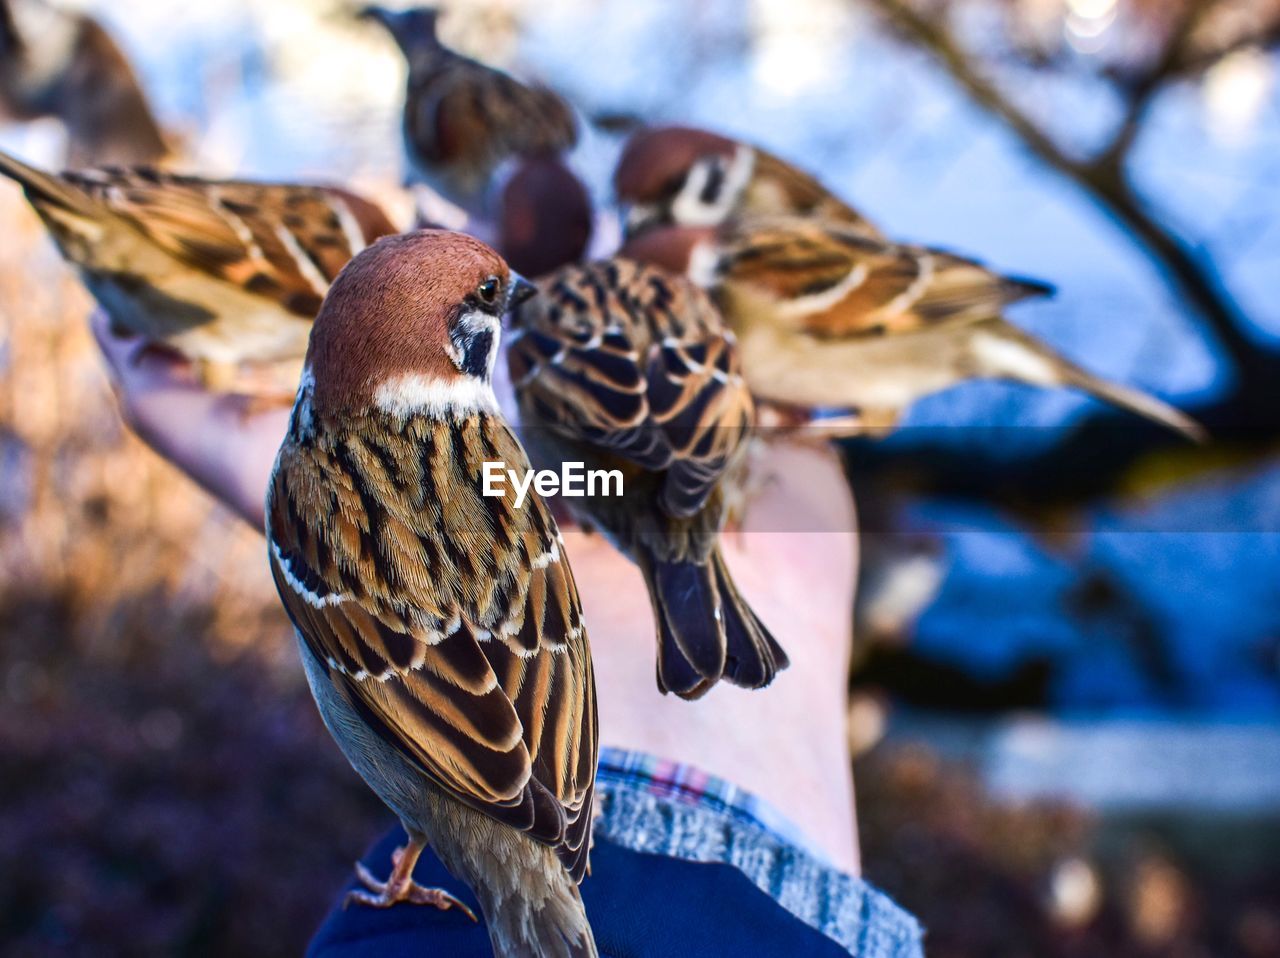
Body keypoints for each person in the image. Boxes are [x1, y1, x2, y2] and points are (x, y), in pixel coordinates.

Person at [91, 309, 923, 957]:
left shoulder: (485, 462)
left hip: (536, 840)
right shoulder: (482, 464)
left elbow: (545, 496)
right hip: (676, 850)